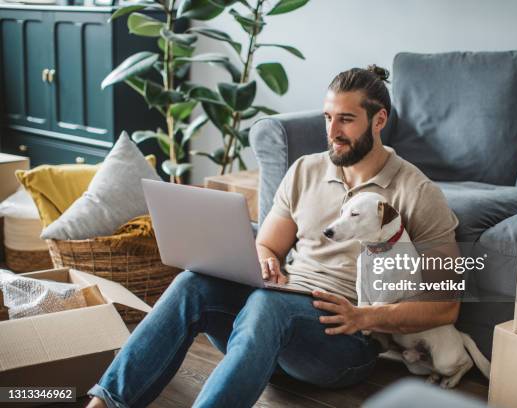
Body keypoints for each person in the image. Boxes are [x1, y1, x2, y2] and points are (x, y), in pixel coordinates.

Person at [86, 65, 460, 408]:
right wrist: (265, 260)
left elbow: (446, 306)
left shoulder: (417, 191)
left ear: (379, 120)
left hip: (346, 344)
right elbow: (267, 245)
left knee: (268, 306)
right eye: (328, 117)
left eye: (346, 120)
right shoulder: (305, 171)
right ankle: (104, 403)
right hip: (269, 329)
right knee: (192, 284)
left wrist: (364, 318)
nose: (332, 133)